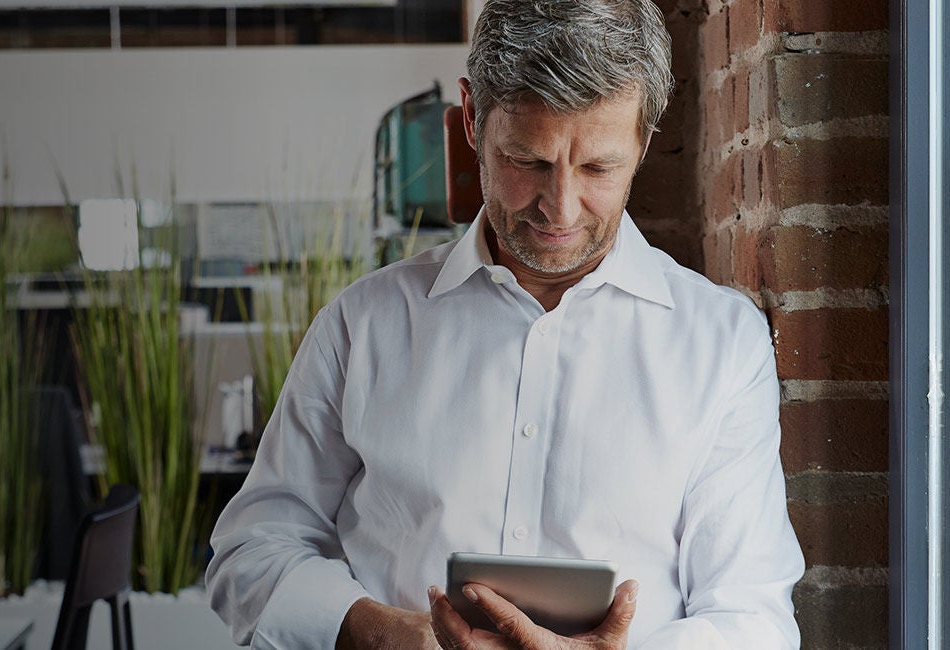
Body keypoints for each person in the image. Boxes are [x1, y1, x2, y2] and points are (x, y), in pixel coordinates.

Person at [205, 0, 805, 647]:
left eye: (599, 167)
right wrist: (376, 632)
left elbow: (755, 620)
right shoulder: (362, 326)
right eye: (529, 161)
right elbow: (250, 554)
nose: (561, 207)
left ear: (645, 139)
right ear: (470, 118)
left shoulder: (721, 345)